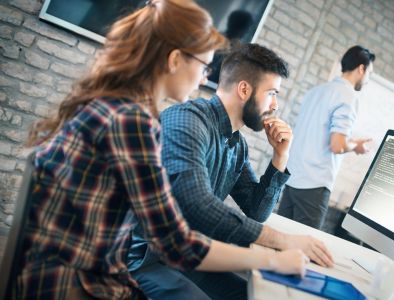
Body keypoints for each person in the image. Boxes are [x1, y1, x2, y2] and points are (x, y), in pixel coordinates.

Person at [13, 1, 307, 298]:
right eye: (204, 67)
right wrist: (274, 256)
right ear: (175, 60)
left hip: (86, 268)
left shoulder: (120, 109)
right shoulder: (136, 122)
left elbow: (182, 235)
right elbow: (178, 238)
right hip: (81, 283)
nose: (205, 79)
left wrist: (280, 157)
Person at [128, 43, 334, 300]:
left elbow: (256, 210)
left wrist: (280, 157)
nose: (275, 105)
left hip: (187, 255)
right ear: (245, 89)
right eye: (272, 93)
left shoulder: (237, 145)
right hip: (145, 258)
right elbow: (198, 205)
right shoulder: (186, 120)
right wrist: (283, 242)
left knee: (247, 294)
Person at [278, 45, 375, 229]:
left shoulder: (316, 91)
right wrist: (356, 146)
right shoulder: (349, 96)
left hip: (292, 179)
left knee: (280, 242)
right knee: (304, 250)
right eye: (369, 73)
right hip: (314, 185)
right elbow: (337, 145)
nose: (368, 79)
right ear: (361, 69)